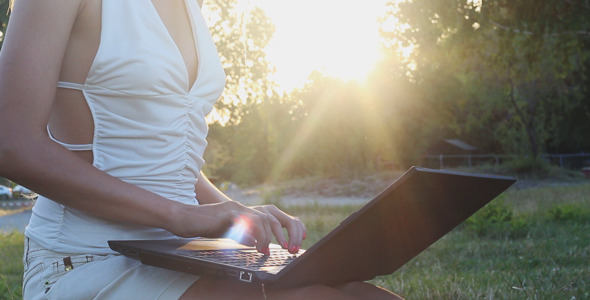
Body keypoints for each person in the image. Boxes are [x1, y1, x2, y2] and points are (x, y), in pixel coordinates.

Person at [0, 0, 403, 299]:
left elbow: (168, 156)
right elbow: (12, 143)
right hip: (86, 258)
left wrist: (237, 215)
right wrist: (181, 216)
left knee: (367, 296)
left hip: (181, 252)